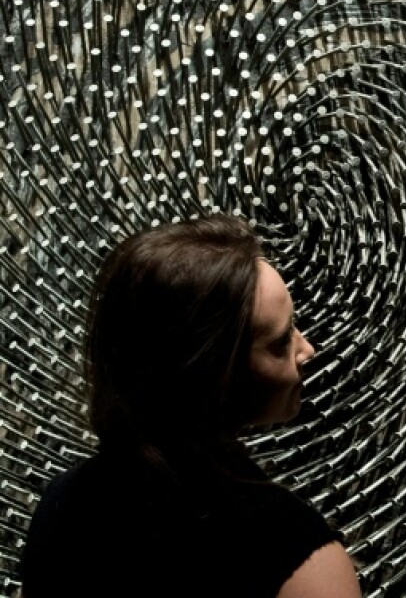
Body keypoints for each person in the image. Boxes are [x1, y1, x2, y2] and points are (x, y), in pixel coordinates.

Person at [17, 215, 362, 598]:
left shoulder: (60, 506)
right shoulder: (298, 557)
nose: (306, 350)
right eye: (281, 342)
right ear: (213, 373)